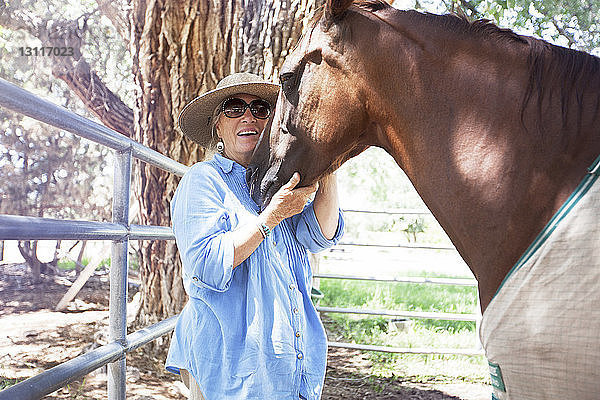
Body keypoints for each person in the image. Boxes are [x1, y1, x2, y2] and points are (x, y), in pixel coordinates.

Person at [166, 72, 345, 400]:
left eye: (261, 109)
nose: (249, 116)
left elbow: (321, 235)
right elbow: (206, 262)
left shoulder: (278, 183)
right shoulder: (203, 180)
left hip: (289, 365)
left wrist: (326, 164)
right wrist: (272, 215)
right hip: (229, 368)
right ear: (217, 125)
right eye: (234, 108)